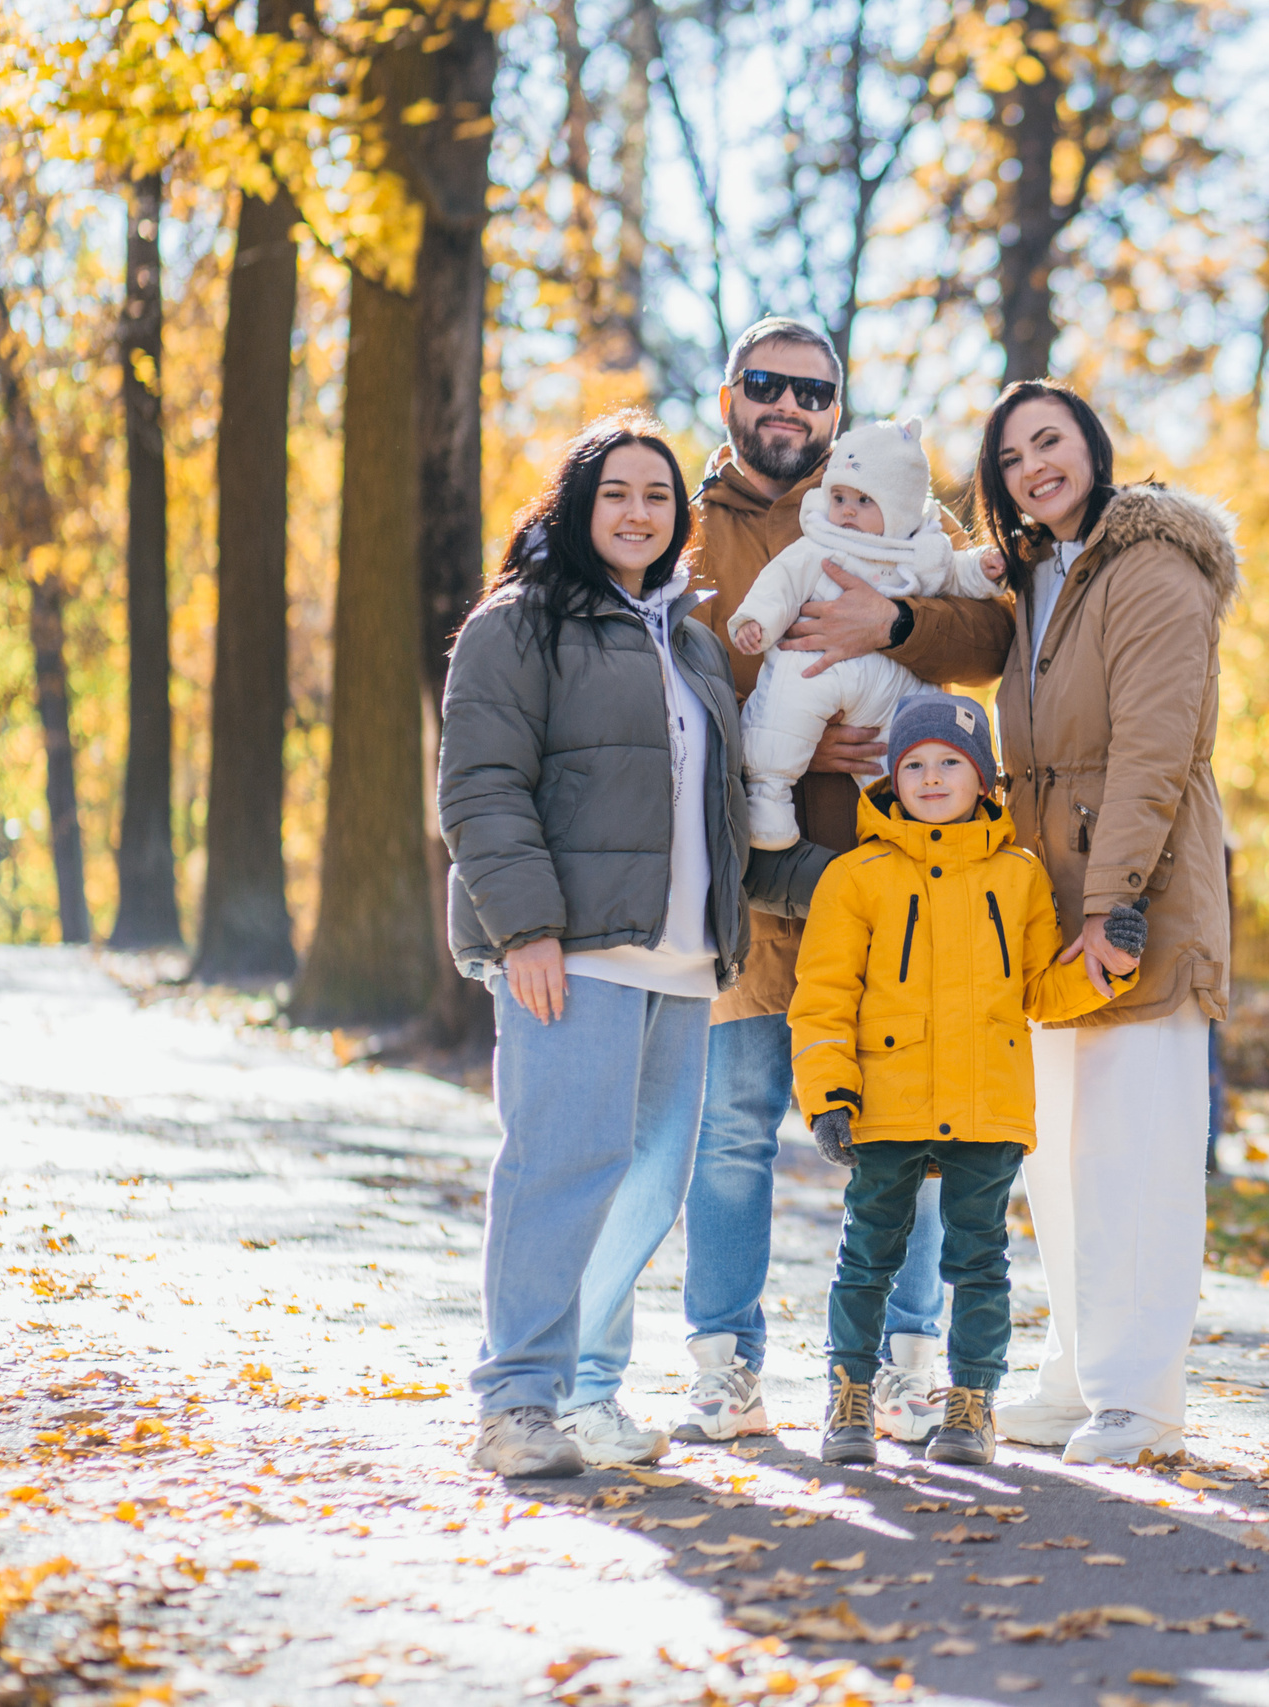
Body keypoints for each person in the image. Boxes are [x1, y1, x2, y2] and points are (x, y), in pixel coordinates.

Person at [565, 319, 1014, 1451]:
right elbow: (654, 673)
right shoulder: (682, 522)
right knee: (731, 1133)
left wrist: (891, 623)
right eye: (767, 384)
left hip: (895, 884)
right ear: (730, 396)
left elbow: (987, 635)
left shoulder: (891, 499)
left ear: (836, 410)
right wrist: (790, 733)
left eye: (814, 392)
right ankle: (726, 1368)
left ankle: (905, 1368)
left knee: (915, 1136)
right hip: (745, 884)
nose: (791, 407)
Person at [439, 413, 755, 1477]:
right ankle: (516, 1404)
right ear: (577, 506)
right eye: (616, 491)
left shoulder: (690, 639)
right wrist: (525, 928)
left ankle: (585, 1394)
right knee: (561, 1169)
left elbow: (721, 805)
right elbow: (480, 786)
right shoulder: (519, 622)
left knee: (647, 1190)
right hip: (572, 952)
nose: (638, 511)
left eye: (658, 496)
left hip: (683, 961)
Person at [977, 379, 1239, 1466]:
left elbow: (1152, 750)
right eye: (1010, 457)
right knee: (1061, 1161)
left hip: (1137, 903)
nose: (1032, 466)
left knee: (1137, 1156)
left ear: (1092, 445)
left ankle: (1140, 1399)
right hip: (1046, 908)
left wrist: (1110, 906)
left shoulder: (1153, 565)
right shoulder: (1040, 575)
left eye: (1050, 441)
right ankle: (1078, 1379)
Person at [789, 694, 1145, 1466]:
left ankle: (972, 1402)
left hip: (988, 1104)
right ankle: (849, 1394)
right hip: (886, 1101)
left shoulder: (1019, 877)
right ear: (892, 778)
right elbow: (822, 999)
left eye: (950, 761)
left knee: (979, 1259)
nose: (931, 776)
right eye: (914, 763)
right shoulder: (856, 877)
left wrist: (1108, 967)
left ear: (984, 778)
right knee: (868, 1254)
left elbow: (1041, 991)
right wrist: (828, 1095)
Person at [730, 418, 1008, 849]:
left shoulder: (919, 548)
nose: (846, 511)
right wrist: (758, 621)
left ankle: (915, 829)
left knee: (916, 740)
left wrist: (982, 571)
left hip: (893, 682)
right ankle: (768, 797)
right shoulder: (819, 543)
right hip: (819, 667)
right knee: (783, 705)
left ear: (898, 508)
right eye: (838, 497)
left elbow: (955, 575)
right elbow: (780, 583)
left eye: (863, 500)